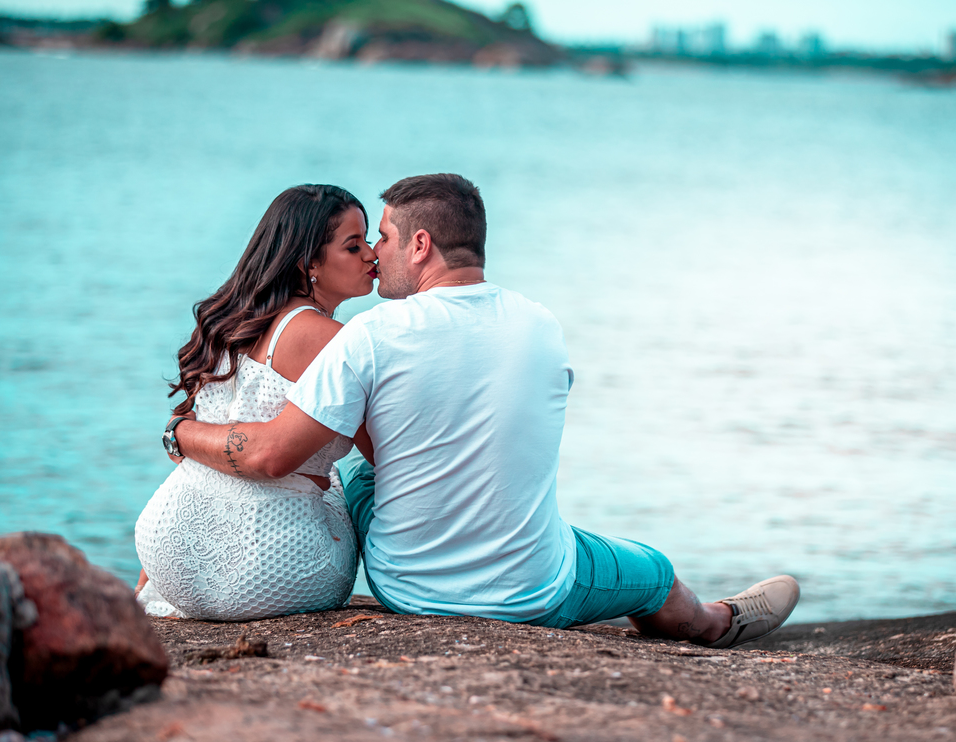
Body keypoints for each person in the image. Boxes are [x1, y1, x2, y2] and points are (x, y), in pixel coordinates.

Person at [164, 174, 800, 647]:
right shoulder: (542, 325)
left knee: (357, 473)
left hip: (405, 587)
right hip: (535, 590)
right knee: (652, 570)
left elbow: (277, 452)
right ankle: (716, 622)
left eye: (380, 238)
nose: (375, 253)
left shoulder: (369, 335)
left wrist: (181, 431)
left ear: (419, 244)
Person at [135, 184, 378, 621]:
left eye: (370, 240)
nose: (372, 254)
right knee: (362, 478)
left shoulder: (231, 323)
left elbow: (191, 447)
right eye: (353, 246)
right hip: (274, 560)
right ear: (309, 264)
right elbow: (384, 451)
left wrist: (150, 578)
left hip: (165, 543)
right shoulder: (330, 340)